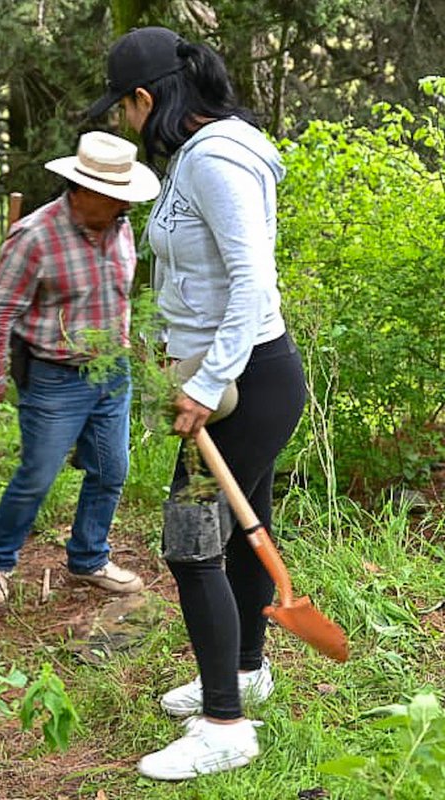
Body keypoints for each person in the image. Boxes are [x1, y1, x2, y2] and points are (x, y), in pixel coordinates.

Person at [87, 27, 305, 780]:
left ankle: (225, 726)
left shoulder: (215, 160)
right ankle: (245, 670)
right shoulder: (208, 154)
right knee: (242, 534)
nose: (123, 123)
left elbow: (254, 282)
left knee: (191, 542)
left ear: (146, 100)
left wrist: (205, 385)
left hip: (245, 383)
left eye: (123, 109)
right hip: (232, 377)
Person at [0, 131, 159, 606]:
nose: (123, 206)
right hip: (55, 376)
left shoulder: (123, 228)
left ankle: (89, 556)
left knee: (112, 470)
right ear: (85, 190)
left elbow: (120, 298)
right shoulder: (35, 236)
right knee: (39, 473)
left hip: (112, 373)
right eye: (116, 197)